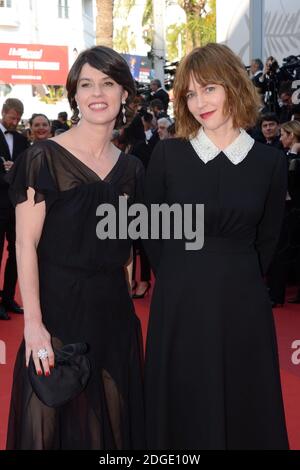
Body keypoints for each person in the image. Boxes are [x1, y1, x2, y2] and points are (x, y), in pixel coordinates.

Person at [144, 43, 289, 449]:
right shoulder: (169, 156)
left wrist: (236, 273)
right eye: (189, 94)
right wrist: (178, 274)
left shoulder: (269, 163)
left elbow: (269, 239)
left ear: (233, 86)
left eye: (208, 89)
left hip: (242, 302)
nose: (198, 102)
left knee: (244, 402)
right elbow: (150, 231)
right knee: (183, 401)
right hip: (179, 299)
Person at [5, 45, 145, 450]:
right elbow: (25, 245)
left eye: (107, 83)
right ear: (75, 94)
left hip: (114, 316)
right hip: (57, 310)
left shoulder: (133, 169)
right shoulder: (42, 158)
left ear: (124, 94)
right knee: (46, 425)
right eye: (86, 84)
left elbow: (125, 249)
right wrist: (33, 323)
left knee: (112, 430)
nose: (96, 93)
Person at [0, 98, 29, 320]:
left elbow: (27, 169)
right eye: (12, 117)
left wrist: (15, 171)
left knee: (16, 254)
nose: (15, 121)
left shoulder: (21, 139)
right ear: (3, 113)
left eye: (18, 118)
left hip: (16, 205)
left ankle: (9, 297)